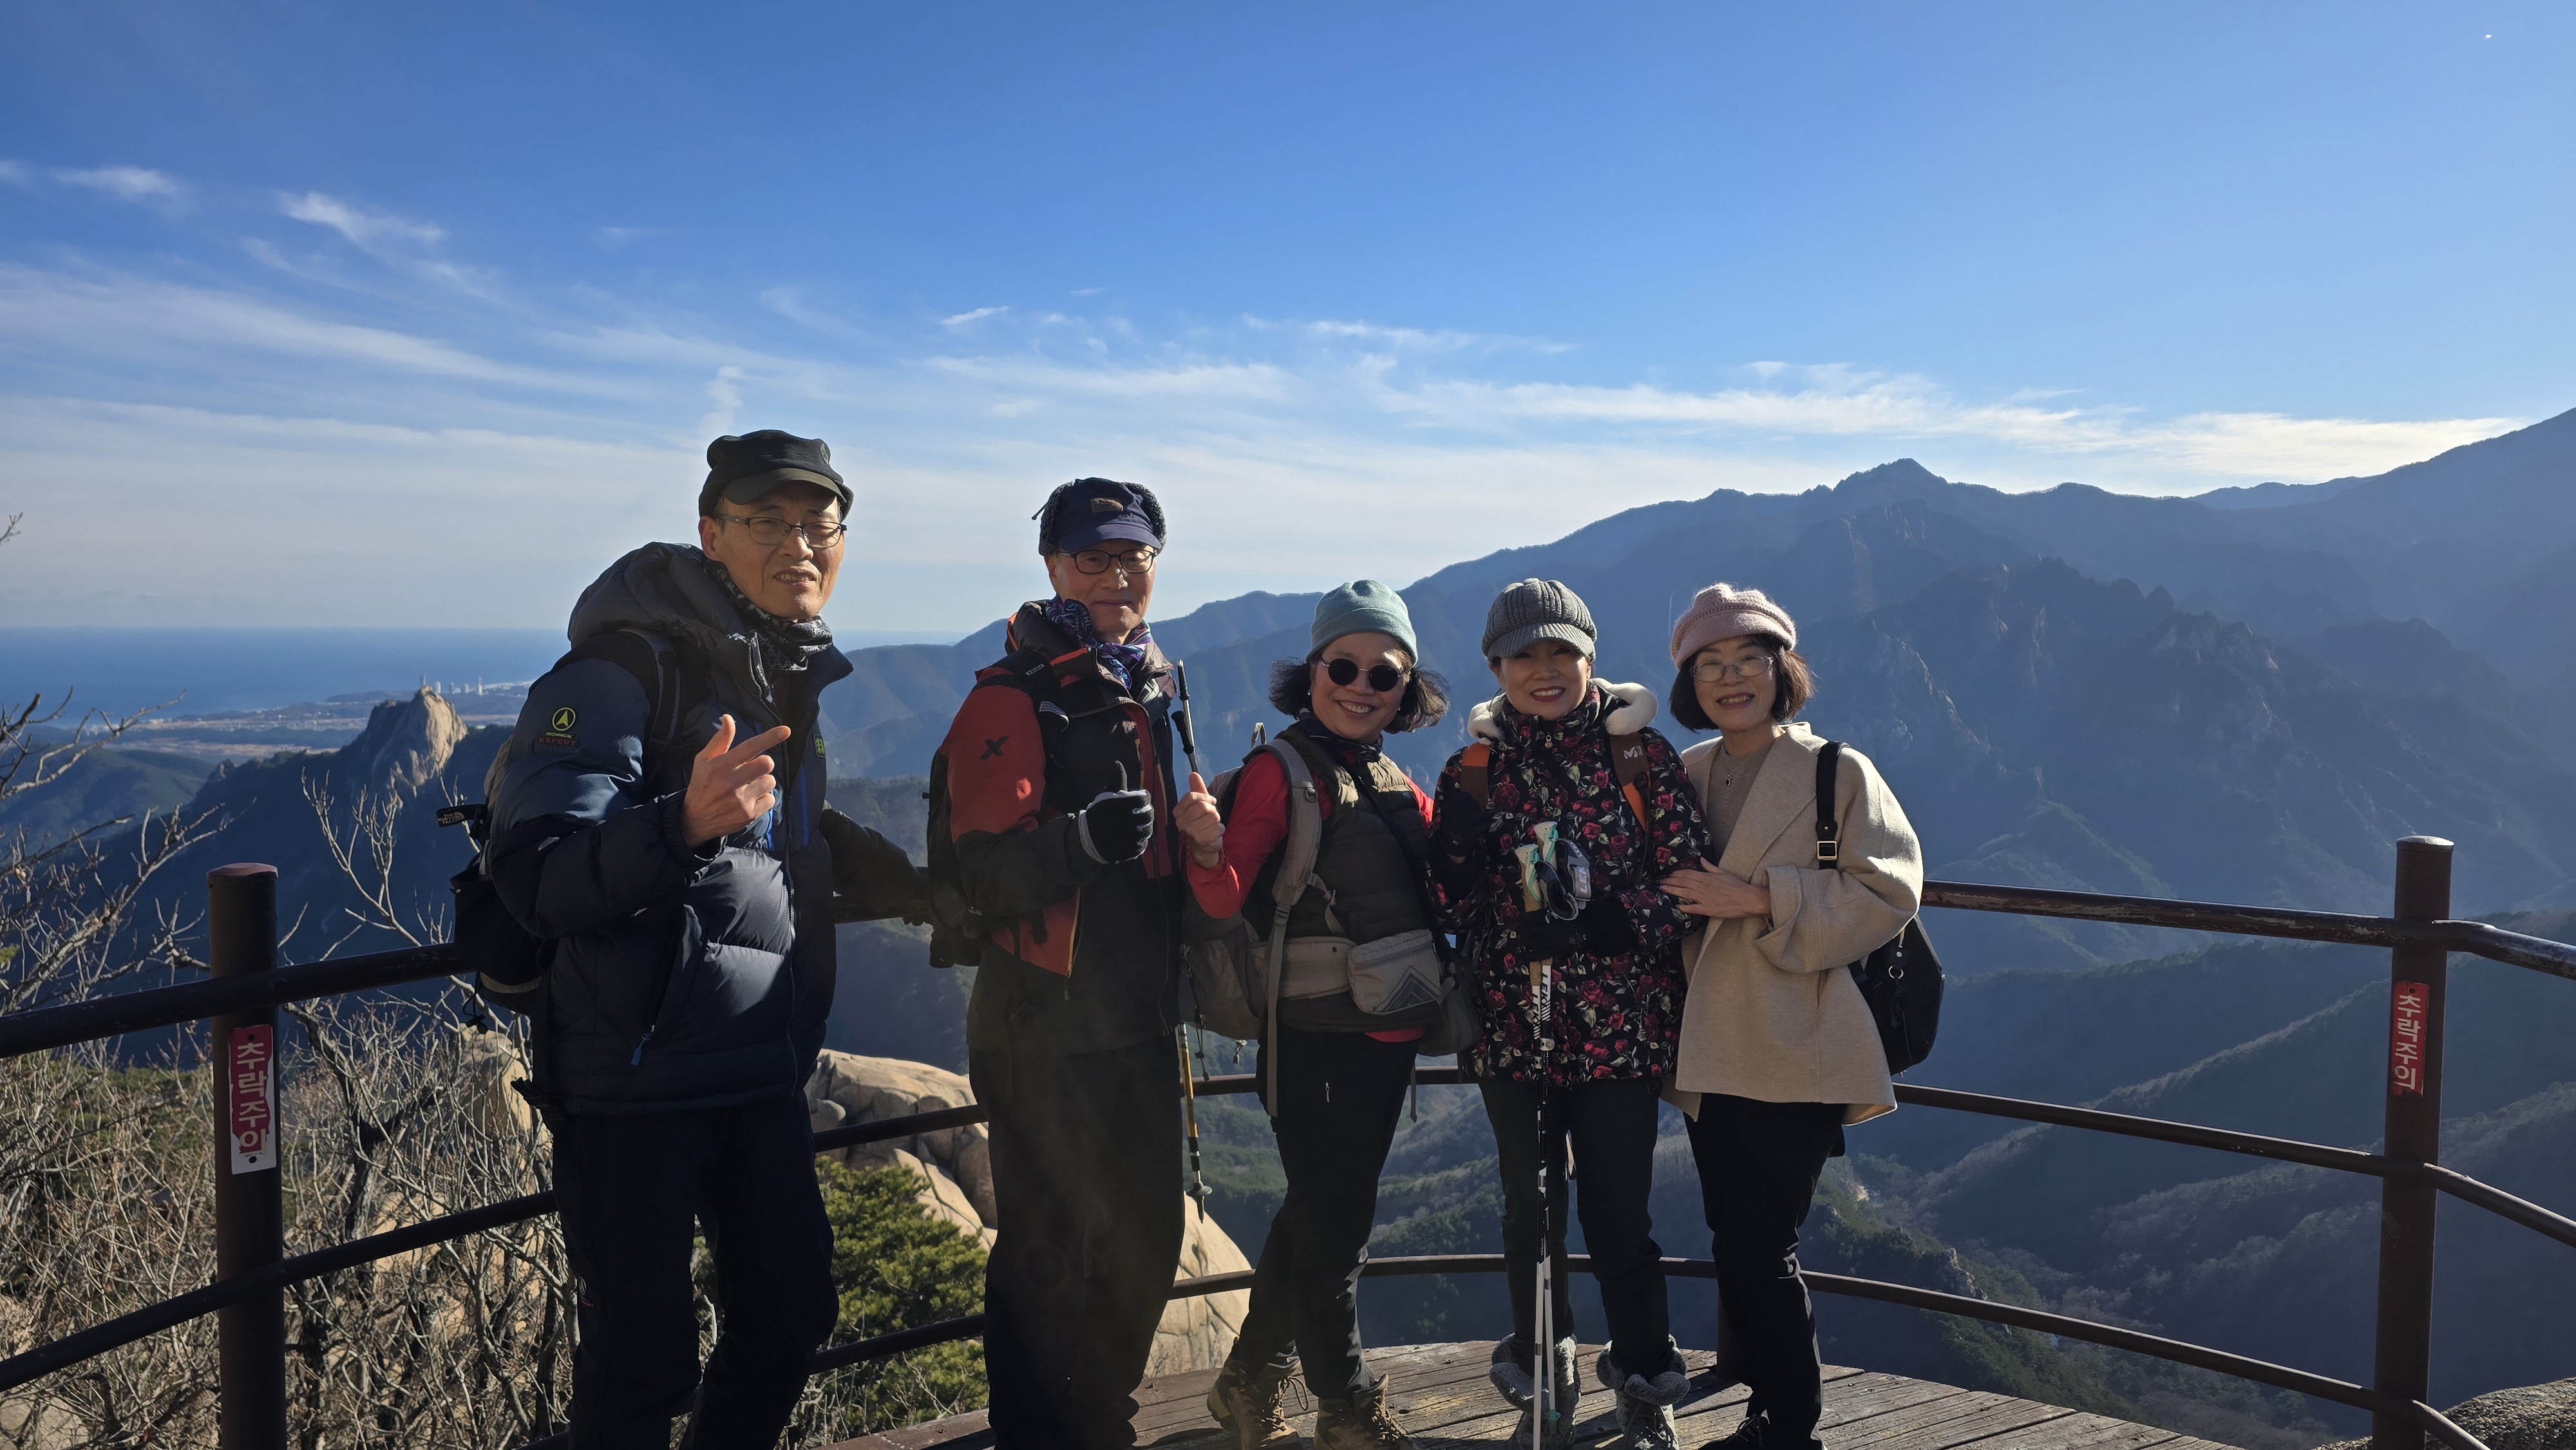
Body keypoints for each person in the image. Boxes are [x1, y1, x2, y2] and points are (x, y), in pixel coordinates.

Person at [486, 429, 925, 1449]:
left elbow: (791, 830)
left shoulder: (772, 670)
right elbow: (539, 875)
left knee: (790, 1315)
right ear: (710, 536)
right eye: (767, 522)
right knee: (640, 1368)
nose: (798, 544)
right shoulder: (616, 673)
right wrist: (680, 824)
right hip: (633, 1078)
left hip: (756, 1066)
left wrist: (930, 889)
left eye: (818, 523)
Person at [1427, 579, 1714, 1450]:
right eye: (1524, 655)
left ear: (1592, 658)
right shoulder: (1471, 772)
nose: (1544, 670)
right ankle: (1544, 1380)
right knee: (1531, 1208)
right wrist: (1457, 862)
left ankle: (1644, 1380)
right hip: (1511, 1026)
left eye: (1563, 651)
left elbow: (1691, 884)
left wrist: (1602, 925)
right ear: (1497, 669)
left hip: (1621, 1028)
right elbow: (1450, 906)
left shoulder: (1641, 758)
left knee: (1620, 1215)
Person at [934, 478, 1191, 1448]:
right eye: (1095, 557)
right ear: (1053, 567)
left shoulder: (1148, 681)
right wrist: (1080, 842)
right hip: (1039, 1022)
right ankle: (1038, 1430)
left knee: (1149, 1233)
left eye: (1135, 556)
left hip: (1138, 1014)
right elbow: (981, 871)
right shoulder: (1012, 697)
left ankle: (1098, 1411)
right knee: (1045, 1248)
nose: (1119, 574)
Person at [1181, 582, 1454, 1450]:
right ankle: (1347, 1407)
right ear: (1312, 672)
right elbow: (1223, 897)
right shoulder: (1283, 772)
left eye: (1385, 674)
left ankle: (1245, 1383)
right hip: (1316, 1042)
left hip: (1386, 1034)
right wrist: (1203, 848)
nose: (1362, 686)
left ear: (1406, 690)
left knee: (1315, 1218)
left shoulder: (1387, 774)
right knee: (1337, 1232)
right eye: (1344, 667)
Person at [1655, 583, 1923, 1450]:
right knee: (1731, 1236)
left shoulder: (1836, 771)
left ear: (1782, 672)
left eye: (1749, 660)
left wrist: (1760, 897)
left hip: (1802, 1035)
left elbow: (1892, 890)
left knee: (1760, 1244)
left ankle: (1791, 1423)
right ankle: (1770, 1408)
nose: (1731, 679)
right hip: (1709, 1040)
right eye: (1711, 665)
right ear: (1690, 684)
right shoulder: (1688, 772)